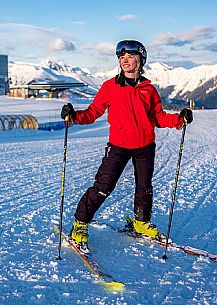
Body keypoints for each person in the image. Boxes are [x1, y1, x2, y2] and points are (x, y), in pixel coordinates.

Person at [60, 39, 193, 253]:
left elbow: (158, 117)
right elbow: (93, 112)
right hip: (119, 145)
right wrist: (74, 115)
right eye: (122, 57)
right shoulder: (110, 87)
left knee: (144, 187)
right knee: (103, 187)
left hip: (145, 146)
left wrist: (179, 120)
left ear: (141, 61)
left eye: (130, 56)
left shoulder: (149, 90)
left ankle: (141, 223)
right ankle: (80, 225)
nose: (125, 60)